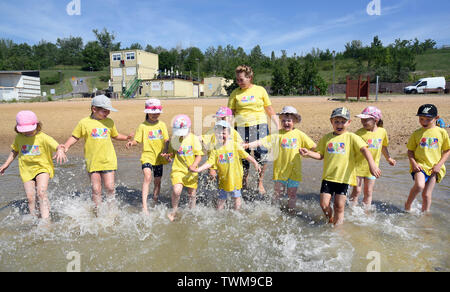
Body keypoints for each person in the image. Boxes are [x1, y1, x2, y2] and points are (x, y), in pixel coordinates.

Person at [299, 107, 381, 226]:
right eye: (336, 121)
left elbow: (364, 149)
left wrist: (372, 164)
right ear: (331, 121)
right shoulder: (327, 138)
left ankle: (338, 230)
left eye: (343, 121)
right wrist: (308, 153)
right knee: (324, 204)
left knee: (339, 206)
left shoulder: (352, 137)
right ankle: (330, 220)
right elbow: (320, 155)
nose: (339, 124)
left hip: (344, 179)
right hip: (328, 177)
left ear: (349, 122)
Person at [61, 95, 132, 214]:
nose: (108, 113)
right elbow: (75, 137)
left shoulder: (109, 122)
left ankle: (111, 211)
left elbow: (115, 135)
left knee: (110, 187)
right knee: (96, 189)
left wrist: (126, 138)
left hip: (108, 159)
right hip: (93, 161)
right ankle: (97, 211)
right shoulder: (84, 123)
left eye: (109, 110)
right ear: (94, 109)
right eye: (105, 111)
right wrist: (66, 146)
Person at [244, 106, 316, 211]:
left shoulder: (300, 135)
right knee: (277, 194)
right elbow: (262, 141)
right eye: (284, 120)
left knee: (292, 194)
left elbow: (314, 146)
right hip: (280, 172)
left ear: (295, 121)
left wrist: (310, 152)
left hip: (294, 172)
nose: (286, 123)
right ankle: (275, 212)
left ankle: (291, 212)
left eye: (289, 120)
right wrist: (248, 145)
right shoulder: (277, 135)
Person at [0, 111, 67, 221]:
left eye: (29, 129)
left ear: (37, 125)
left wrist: (60, 150)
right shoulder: (19, 138)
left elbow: (58, 146)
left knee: (41, 193)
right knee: (30, 198)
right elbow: (15, 151)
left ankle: (46, 221)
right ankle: (34, 220)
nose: (27, 132)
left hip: (42, 168)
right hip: (26, 170)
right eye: (24, 130)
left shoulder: (43, 137)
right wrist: (6, 164)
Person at [227, 65, 280, 195]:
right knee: (242, 156)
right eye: (237, 80)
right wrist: (227, 129)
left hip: (259, 126)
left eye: (241, 79)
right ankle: (243, 180)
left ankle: (259, 182)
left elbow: (269, 109)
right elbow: (230, 113)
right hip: (240, 128)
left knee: (261, 155)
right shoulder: (235, 93)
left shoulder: (260, 90)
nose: (239, 82)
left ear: (250, 77)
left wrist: (278, 125)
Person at [191, 120, 261, 210]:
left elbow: (247, 156)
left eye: (223, 133)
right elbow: (209, 163)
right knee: (221, 198)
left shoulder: (235, 146)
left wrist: (255, 162)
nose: (221, 135)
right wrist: (198, 169)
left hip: (235, 178)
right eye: (218, 133)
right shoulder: (215, 149)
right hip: (223, 179)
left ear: (229, 134)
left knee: (236, 197)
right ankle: (219, 214)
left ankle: (237, 213)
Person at [126, 99, 169, 215]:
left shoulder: (162, 125)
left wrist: (166, 151)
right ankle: (145, 207)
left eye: (157, 112)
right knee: (147, 176)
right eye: (152, 112)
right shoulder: (143, 126)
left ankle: (155, 201)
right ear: (147, 112)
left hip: (159, 157)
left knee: (157, 181)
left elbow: (166, 140)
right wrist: (132, 143)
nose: (155, 114)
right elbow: (137, 140)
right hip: (147, 156)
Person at [405, 104, 450, 213]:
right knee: (420, 186)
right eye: (421, 119)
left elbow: (447, 150)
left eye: (428, 119)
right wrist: (414, 163)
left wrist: (439, 165)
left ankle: (425, 215)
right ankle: (407, 205)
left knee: (426, 194)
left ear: (436, 118)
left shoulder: (442, 132)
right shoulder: (416, 133)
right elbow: (410, 151)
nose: (424, 122)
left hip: (434, 168)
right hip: (419, 166)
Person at [349, 106, 396, 209]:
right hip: (358, 167)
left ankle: (366, 212)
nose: (363, 122)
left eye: (366, 120)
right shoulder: (359, 133)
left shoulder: (382, 132)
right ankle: (351, 210)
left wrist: (388, 158)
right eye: (362, 119)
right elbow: (351, 149)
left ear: (376, 120)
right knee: (356, 190)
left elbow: (383, 146)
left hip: (373, 168)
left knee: (368, 191)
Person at [166, 115, 203, 221]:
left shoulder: (193, 139)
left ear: (189, 128)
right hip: (178, 169)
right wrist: (168, 157)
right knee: (177, 191)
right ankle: (174, 211)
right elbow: (172, 154)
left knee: (192, 193)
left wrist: (194, 165)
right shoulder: (175, 139)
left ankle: (192, 212)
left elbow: (199, 155)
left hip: (191, 171)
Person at [200, 106, 243, 180]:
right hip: (214, 161)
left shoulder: (234, 133)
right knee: (212, 177)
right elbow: (202, 139)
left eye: (223, 118)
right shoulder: (212, 132)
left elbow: (241, 145)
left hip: (229, 160)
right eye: (218, 118)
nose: (220, 120)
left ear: (230, 119)